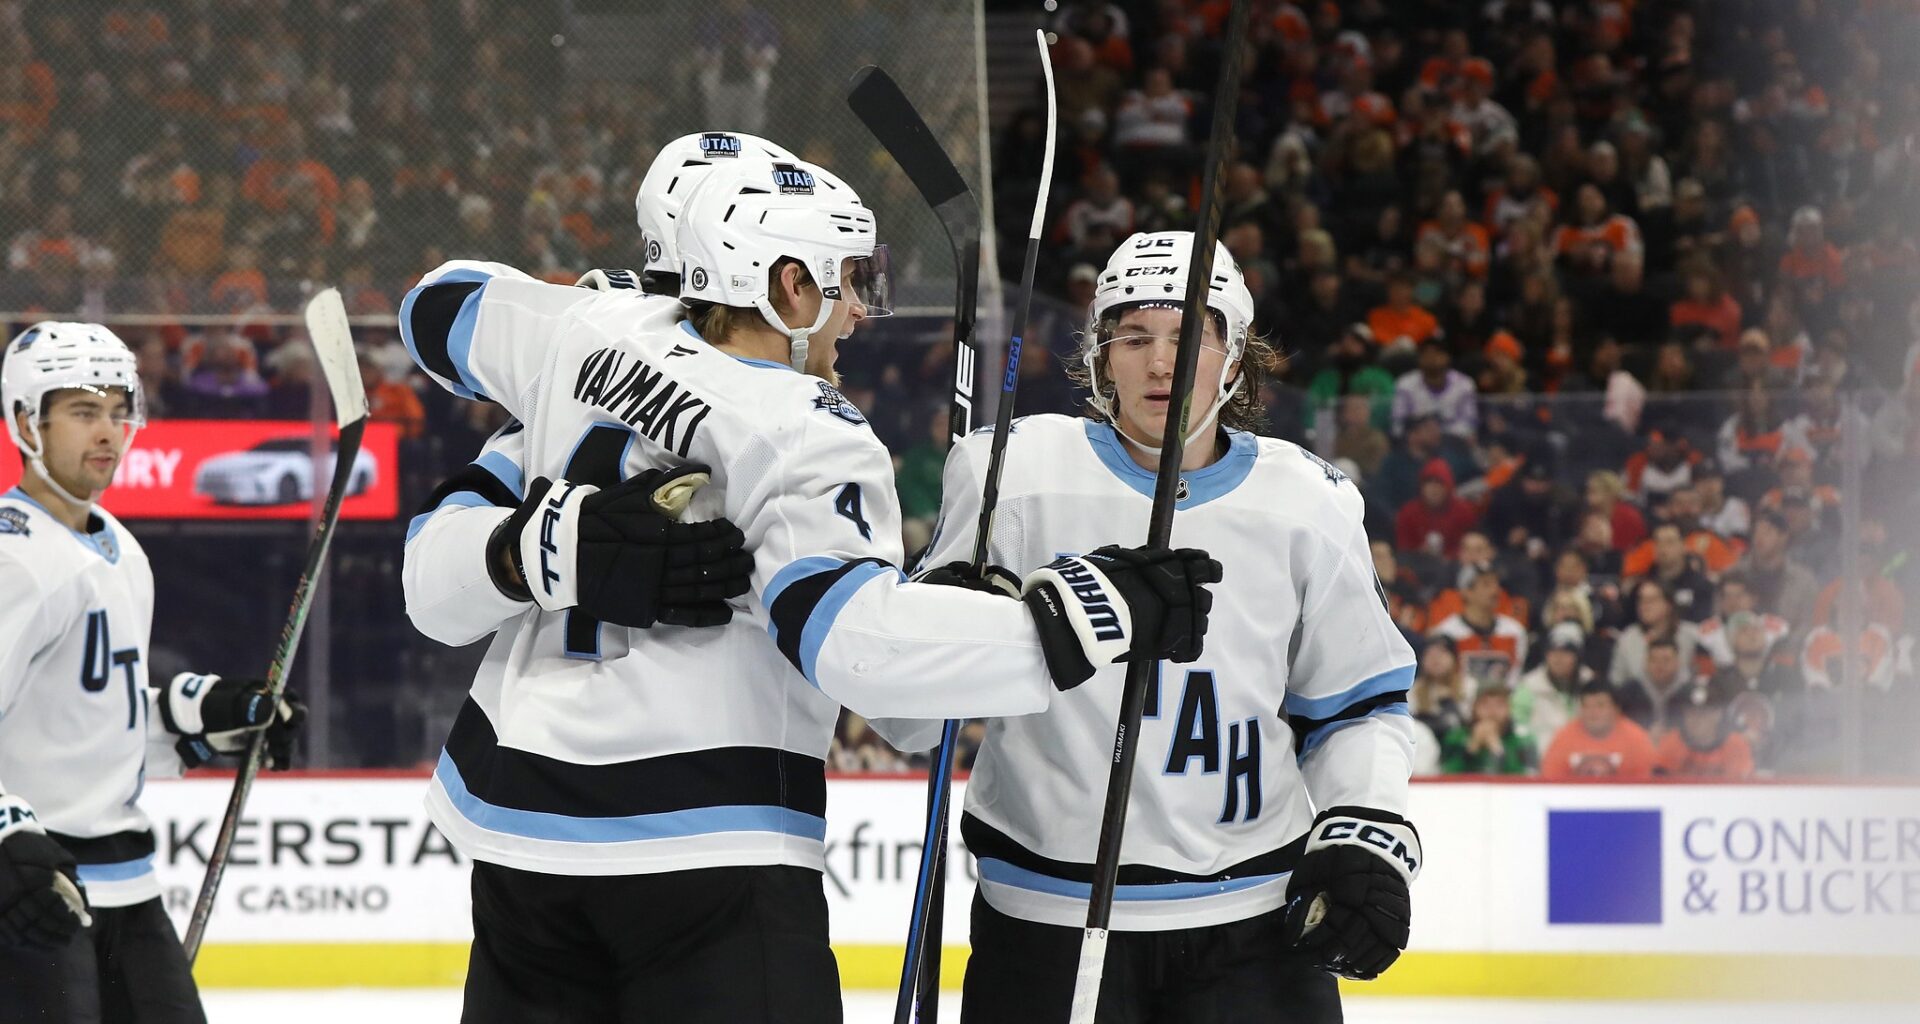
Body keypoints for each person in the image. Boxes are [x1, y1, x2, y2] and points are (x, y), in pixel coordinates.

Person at [396, 155, 1221, 1021]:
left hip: (520, 845)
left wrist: (609, 321)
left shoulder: (589, 328)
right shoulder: (802, 428)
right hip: (707, 857)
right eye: (849, 279)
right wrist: (1081, 616)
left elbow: (438, 305)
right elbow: (850, 643)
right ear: (788, 285)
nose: (862, 309)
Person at [920, 231, 1418, 1022]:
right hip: (1047, 921)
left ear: (1235, 355)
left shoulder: (1309, 500)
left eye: (1191, 336)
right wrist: (944, 629)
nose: (1161, 364)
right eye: (1134, 336)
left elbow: (1357, 705)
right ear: (1099, 355)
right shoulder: (1010, 475)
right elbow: (914, 715)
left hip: (1256, 926)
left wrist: (1363, 826)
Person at [0, 322, 303, 1023]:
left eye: (117, 409)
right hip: (35, 893)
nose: (107, 431)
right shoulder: (13, 559)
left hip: (126, 889)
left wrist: (211, 720)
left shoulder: (122, 549)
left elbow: (96, 715)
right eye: (82, 412)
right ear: (25, 420)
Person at [1540, 681, 1657, 780]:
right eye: (1586, 706)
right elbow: (1550, 781)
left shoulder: (1637, 739)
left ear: (1616, 709)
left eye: (1600, 705)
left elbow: (1647, 785)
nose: (1593, 712)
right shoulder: (1563, 738)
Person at [1654, 680, 1756, 778]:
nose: (1698, 719)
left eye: (1705, 713)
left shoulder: (1735, 744)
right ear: (1684, 714)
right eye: (1692, 713)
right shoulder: (1671, 742)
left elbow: (1742, 789)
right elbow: (1659, 786)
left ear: (1718, 714)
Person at [1439, 685, 1536, 775]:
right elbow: (1445, 775)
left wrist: (1499, 752)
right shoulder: (1456, 737)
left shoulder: (1523, 740)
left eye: (1499, 705)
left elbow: (1527, 780)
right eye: (1485, 704)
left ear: (1509, 709)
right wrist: (1470, 751)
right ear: (1474, 708)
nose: (1492, 711)